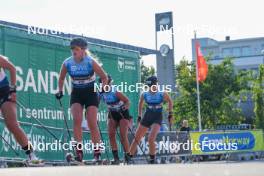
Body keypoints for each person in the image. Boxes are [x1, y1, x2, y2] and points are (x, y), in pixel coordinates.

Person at [56, 38, 108, 162]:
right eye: (72, 49)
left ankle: (97, 153)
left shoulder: (90, 62)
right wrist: (60, 90)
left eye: (77, 49)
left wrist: (102, 89)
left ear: (83, 50)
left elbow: (104, 77)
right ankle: (79, 153)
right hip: (77, 93)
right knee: (77, 121)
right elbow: (61, 78)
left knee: (91, 123)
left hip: (91, 92)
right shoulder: (67, 63)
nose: (73, 51)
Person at [0, 55, 42, 165]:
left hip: (4, 91)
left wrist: (13, 90)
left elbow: (12, 68)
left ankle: (31, 154)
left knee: (12, 125)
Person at [129, 76, 173, 164]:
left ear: (156, 84)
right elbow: (140, 103)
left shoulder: (162, 93)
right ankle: (129, 157)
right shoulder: (144, 94)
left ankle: (152, 159)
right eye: (149, 86)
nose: (151, 88)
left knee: (151, 138)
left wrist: (170, 114)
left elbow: (170, 101)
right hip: (147, 115)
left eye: (153, 85)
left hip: (157, 116)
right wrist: (139, 115)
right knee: (136, 138)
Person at [98, 75, 132, 164]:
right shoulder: (100, 92)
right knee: (111, 135)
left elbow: (127, 101)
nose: (104, 85)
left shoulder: (115, 91)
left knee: (122, 136)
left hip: (122, 113)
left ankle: (128, 157)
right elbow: (95, 103)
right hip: (112, 113)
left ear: (110, 83)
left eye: (107, 83)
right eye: (102, 84)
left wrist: (123, 108)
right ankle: (116, 158)